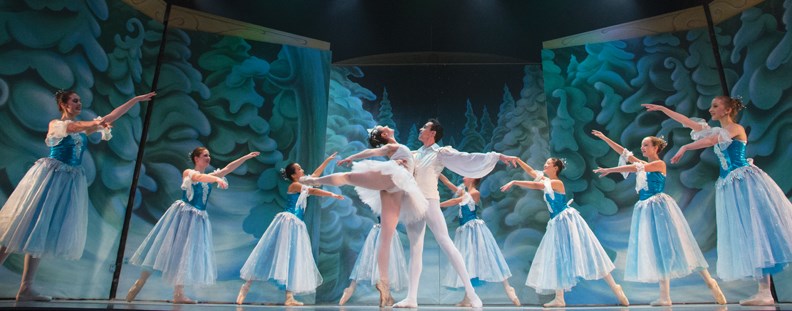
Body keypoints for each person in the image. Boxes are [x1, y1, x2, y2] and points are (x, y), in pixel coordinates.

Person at [0, 90, 155, 301]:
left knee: (41, 230)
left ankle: (26, 287)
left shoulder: (81, 129)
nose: (79, 103)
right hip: (50, 177)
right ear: (64, 104)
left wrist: (135, 100)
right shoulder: (58, 124)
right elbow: (79, 126)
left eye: (80, 100)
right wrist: (95, 125)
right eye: (74, 100)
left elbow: (108, 118)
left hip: (67, 181)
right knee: (22, 224)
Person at [644, 97, 792, 306]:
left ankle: (765, 290)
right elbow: (687, 122)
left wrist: (685, 147)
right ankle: (763, 290)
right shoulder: (716, 130)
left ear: (727, 109)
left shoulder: (735, 128)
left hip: (743, 181)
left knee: (755, 230)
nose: (710, 109)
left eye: (715, 106)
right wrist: (662, 108)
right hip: (729, 184)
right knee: (748, 234)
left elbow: (713, 141)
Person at [394, 119, 519, 308]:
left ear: (433, 132)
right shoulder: (415, 154)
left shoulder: (441, 153)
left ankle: (471, 293)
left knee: (446, 243)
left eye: (424, 127)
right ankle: (411, 298)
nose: (420, 129)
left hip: (429, 201)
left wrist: (498, 156)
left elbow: (467, 157)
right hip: (413, 202)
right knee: (415, 249)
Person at [591, 130, 726, 306]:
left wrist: (611, 169)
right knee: (658, 250)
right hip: (646, 208)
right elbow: (624, 153)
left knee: (677, 245)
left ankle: (710, 281)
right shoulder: (643, 163)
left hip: (659, 207)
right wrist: (604, 138)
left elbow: (635, 167)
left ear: (656, 148)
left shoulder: (659, 164)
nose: (642, 148)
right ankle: (665, 297)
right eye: (642, 145)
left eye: (646, 145)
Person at [299, 125, 426, 307]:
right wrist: (353, 157)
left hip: (398, 181)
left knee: (386, 234)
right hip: (397, 181)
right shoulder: (392, 147)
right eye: (384, 127)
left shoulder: (399, 148)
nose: (387, 126)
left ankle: (384, 285)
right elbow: (371, 152)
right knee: (385, 235)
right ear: (384, 134)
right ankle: (313, 181)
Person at [125, 147, 259, 304]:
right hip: (184, 216)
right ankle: (141, 281)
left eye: (209, 155)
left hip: (198, 219)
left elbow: (228, 168)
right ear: (196, 158)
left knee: (185, 254)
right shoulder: (189, 172)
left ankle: (178, 293)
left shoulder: (209, 176)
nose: (208, 157)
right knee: (166, 248)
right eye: (205, 155)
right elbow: (198, 177)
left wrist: (246, 157)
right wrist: (216, 179)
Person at [501, 158, 629, 307]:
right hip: (556, 223)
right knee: (557, 257)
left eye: (548, 163)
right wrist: (518, 160)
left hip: (565, 221)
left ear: (555, 168)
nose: (545, 165)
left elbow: (536, 184)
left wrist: (515, 182)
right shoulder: (548, 181)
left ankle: (615, 287)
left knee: (587, 252)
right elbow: (532, 173)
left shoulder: (556, 183)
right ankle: (559, 298)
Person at [236, 153, 344, 306]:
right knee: (269, 253)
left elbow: (315, 175)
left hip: (297, 224)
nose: (302, 170)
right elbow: (312, 190)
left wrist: (326, 161)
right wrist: (331, 194)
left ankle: (289, 297)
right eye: (299, 169)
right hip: (288, 222)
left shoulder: (302, 183)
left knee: (293, 257)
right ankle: (246, 286)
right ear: (294, 175)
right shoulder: (295, 185)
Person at [437, 174, 520, 306]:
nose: (463, 177)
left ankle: (508, 287)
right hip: (465, 230)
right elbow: (448, 183)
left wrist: (437, 204)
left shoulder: (474, 193)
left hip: (474, 229)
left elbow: (456, 200)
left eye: (466, 176)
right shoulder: (465, 192)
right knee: (467, 262)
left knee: (489, 257)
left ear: (473, 179)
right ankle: (468, 298)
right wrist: (437, 171)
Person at [338, 216, 409, 305]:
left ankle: (351, 289)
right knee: (387, 260)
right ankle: (384, 289)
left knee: (366, 258)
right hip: (387, 230)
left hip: (377, 229)